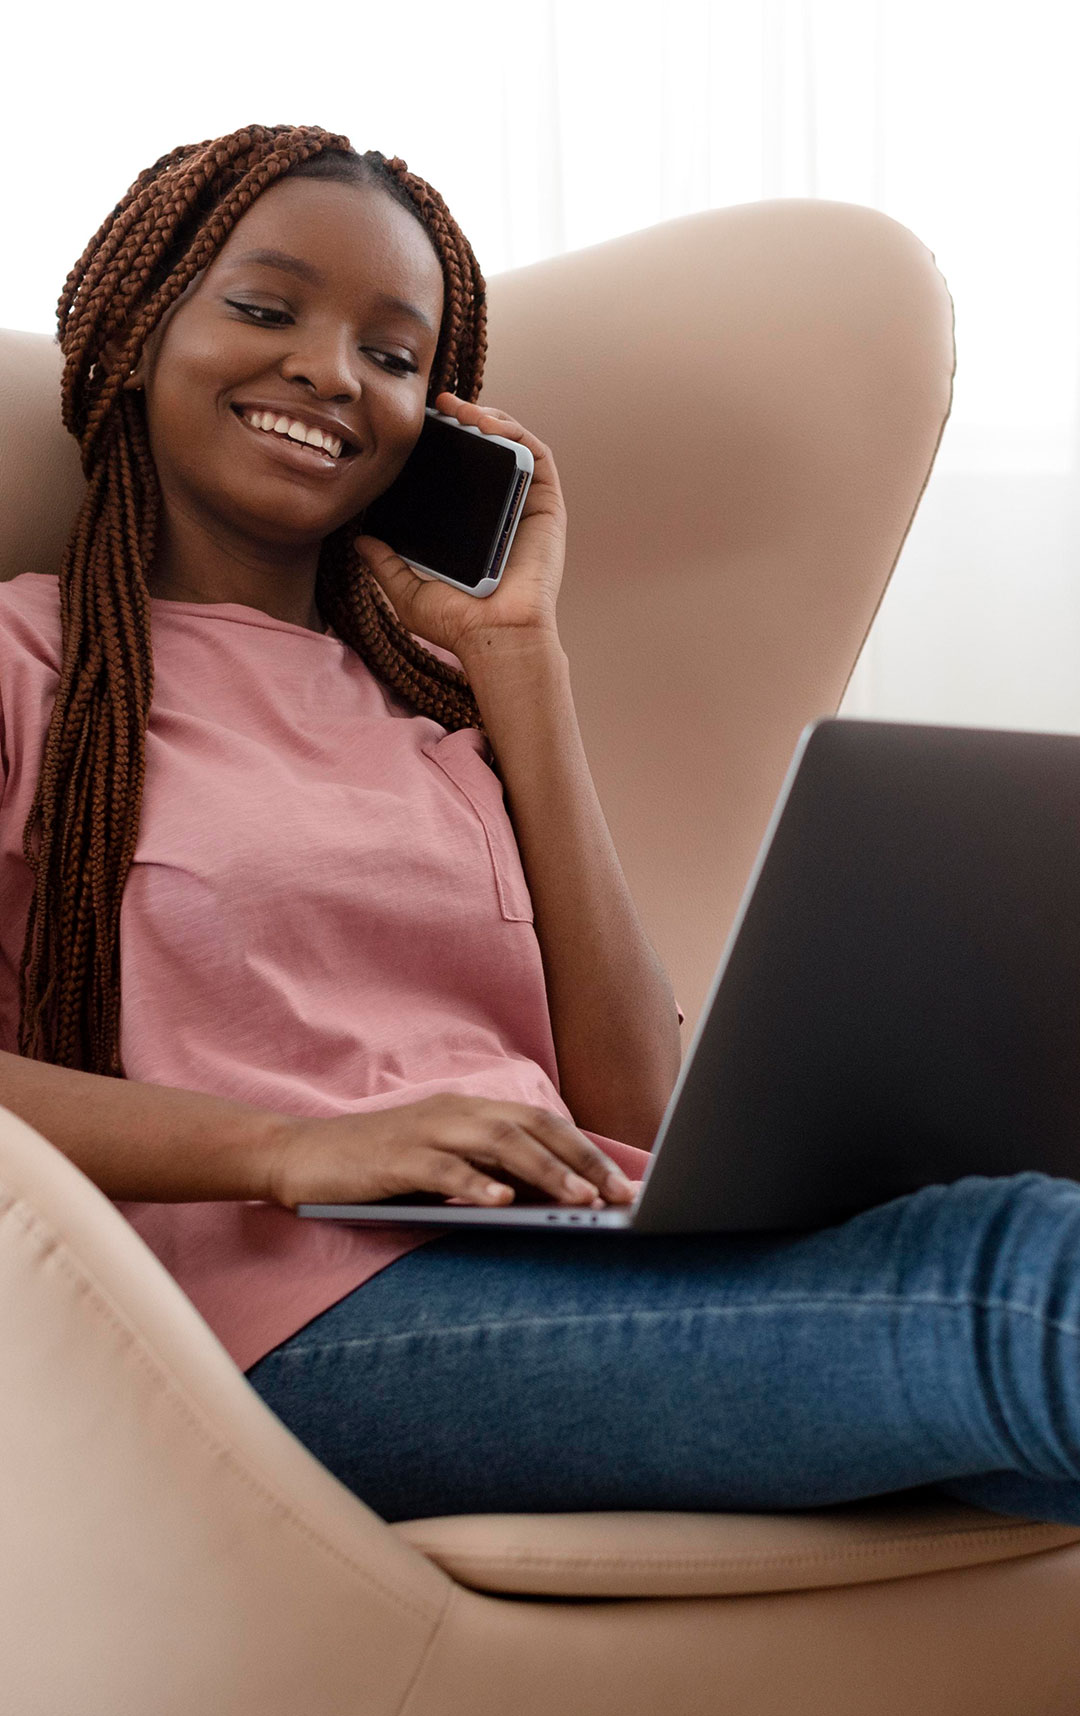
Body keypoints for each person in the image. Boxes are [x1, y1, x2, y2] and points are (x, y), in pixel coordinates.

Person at [2, 122, 1080, 1528]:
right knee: (1022, 1280)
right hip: (276, 1328)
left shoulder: (434, 709)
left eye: (393, 357)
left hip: (578, 1256)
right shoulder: (33, 666)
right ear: (138, 335)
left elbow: (631, 1107)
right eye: (266, 310)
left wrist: (522, 666)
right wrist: (287, 1149)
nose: (331, 373)